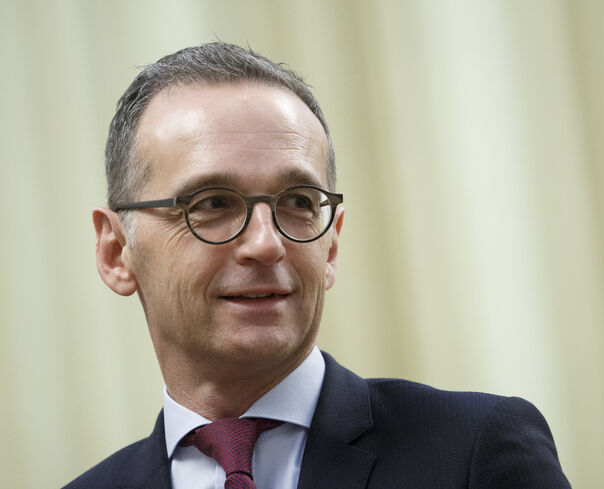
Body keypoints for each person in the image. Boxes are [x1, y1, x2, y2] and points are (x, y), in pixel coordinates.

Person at [64, 42, 571, 489]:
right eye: (212, 204)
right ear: (115, 253)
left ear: (330, 246)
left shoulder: (474, 450)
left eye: (299, 202)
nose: (265, 245)